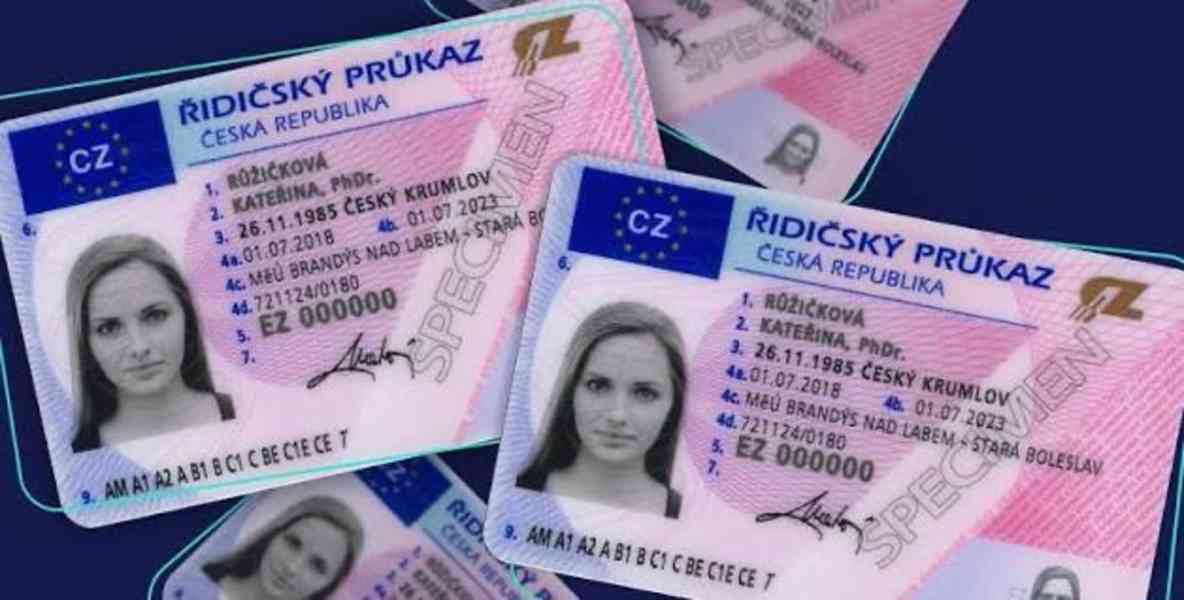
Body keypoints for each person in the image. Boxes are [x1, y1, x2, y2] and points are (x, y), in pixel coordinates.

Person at [517, 301, 687, 519]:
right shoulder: (510, 491)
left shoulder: (693, 519)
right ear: (571, 392)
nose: (617, 415)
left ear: (673, 405)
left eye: (645, 393)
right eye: (598, 386)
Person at [67, 234, 234, 452]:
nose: (139, 347)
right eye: (109, 328)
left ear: (187, 316)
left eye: (155, 316)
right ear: (86, 344)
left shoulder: (251, 413)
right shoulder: (74, 456)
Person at [203, 495, 365, 600]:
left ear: (330, 584)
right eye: (293, 543)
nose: (292, 568)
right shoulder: (198, 577)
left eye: (317, 566)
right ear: (273, 534)